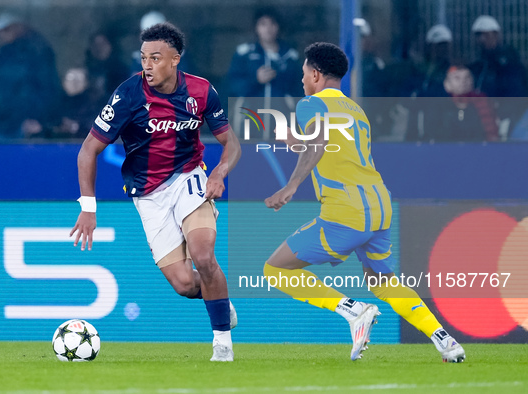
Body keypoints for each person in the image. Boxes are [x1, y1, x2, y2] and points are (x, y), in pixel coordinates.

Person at [262, 42, 466, 363]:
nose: (302, 81)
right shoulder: (356, 110)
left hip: (346, 211)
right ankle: (445, 339)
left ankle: (354, 311)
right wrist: (297, 142)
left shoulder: (310, 104)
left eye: (304, 74)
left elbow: (318, 143)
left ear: (315, 74)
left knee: (275, 269)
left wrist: (291, 185)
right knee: (384, 282)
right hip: (379, 205)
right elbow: (330, 146)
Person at [70, 22, 241, 362]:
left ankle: (222, 342)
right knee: (184, 284)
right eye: (144, 57)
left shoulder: (202, 91)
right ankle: (219, 302)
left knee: (204, 256)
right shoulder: (128, 94)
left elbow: (230, 142)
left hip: (189, 178)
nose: (147, 65)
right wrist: (88, 208)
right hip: (148, 194)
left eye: (156, 58)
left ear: (175, 59)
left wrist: (219, 172)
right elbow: (88, 150)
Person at [0, 12, 62, 139]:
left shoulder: (38, 51)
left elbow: (46, 87)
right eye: (0, 31)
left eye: (6, 29)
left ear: (19, 28)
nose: (1, 34)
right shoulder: (4, 53)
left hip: (27, 123)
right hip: (3, 121)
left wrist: (37, 118)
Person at [227, 8, 302, 99]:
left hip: (281, 112)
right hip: (250, 112)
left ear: (279, 26)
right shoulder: (244, 54)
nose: (268, 28)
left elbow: (299, 89)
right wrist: (256, 80)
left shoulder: (290, 56)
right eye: (263, 24)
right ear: (256, 27)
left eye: (272, 23)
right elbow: (232, 87)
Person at [85, 32, 130, 102]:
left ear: (110, 45)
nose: (99, 48)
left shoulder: (121, 70)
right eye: (95, 45)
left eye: (102, 44)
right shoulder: (86, 71)